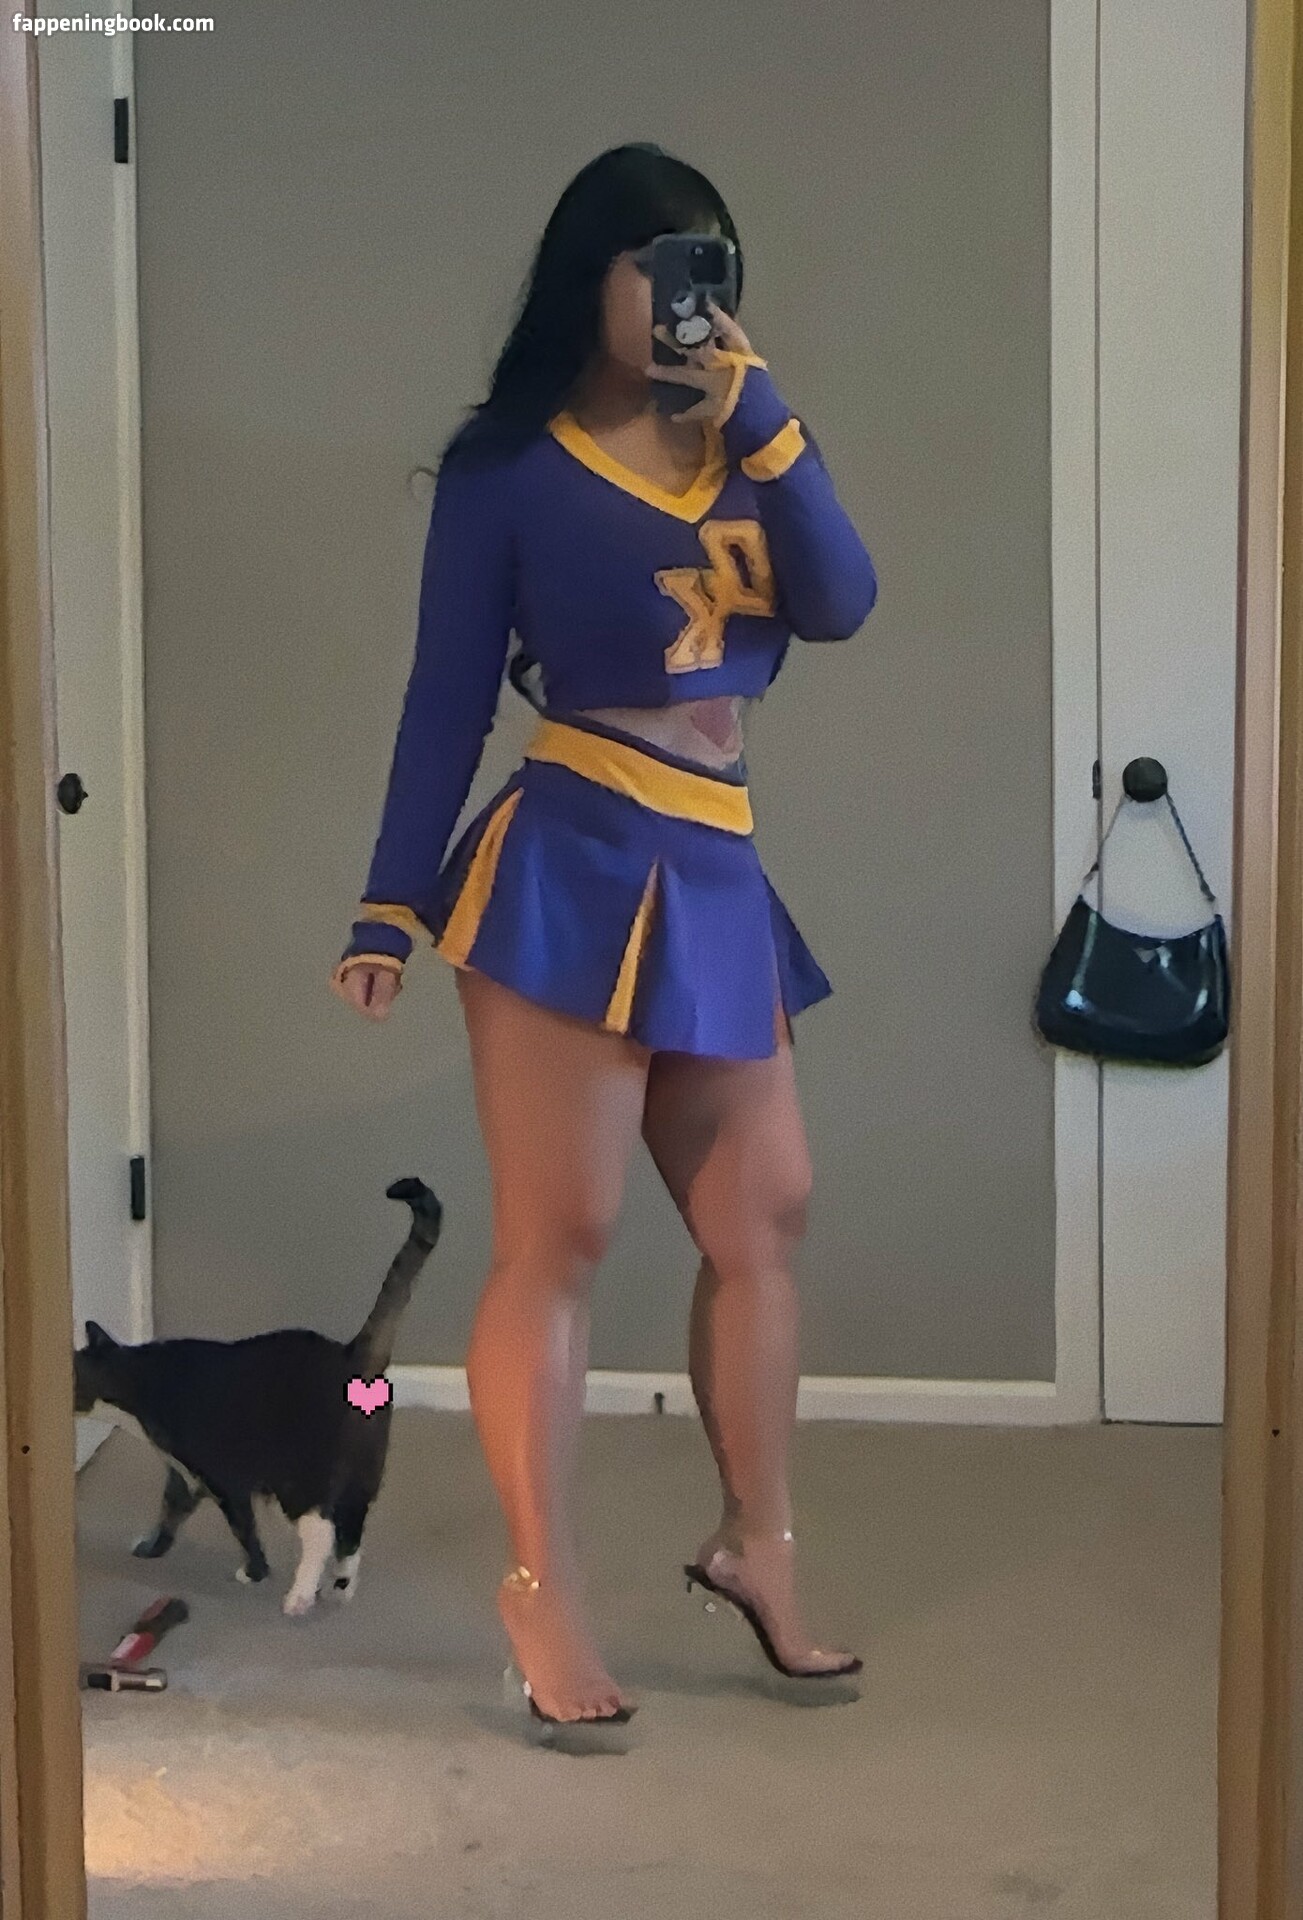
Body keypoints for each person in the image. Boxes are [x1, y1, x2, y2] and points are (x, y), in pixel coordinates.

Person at [332, 143, 878, 1727]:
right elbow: (447, 694)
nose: (694, 298)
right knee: (558, 1235)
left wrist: (771, 430)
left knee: (765, 1210)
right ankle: (542, 1587)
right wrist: (388, 900)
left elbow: (840, 601)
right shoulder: (508, 467)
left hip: (715, 866)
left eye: (716, 266)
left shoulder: (750, 446)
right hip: (569, 862)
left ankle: (758, 1542)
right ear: (596, 277)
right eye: (665, 266)